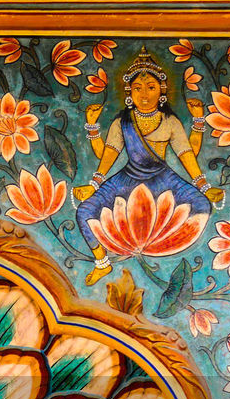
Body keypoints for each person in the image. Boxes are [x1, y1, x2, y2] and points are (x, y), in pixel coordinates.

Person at [74, 47, 222, 286]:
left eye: (151, 87)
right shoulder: (122, 122)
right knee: (83, 212)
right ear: (129, 92)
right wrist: (92, 130)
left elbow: (187, 154)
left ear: (161, 92)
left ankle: (164, 244)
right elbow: (107, 156)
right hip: (127, 177)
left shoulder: (169, 121)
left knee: (202, 205)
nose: (144, 94)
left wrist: (205, 187)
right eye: (138, 88)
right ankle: (102, 262)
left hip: (163, 177)